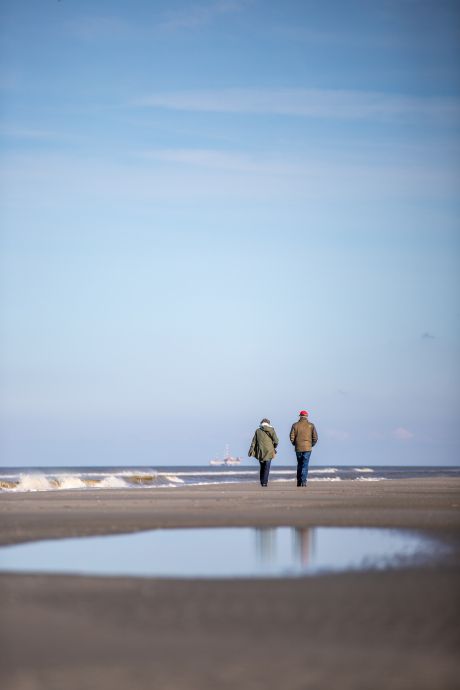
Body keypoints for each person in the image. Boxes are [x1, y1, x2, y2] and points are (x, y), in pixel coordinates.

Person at [289, 410, 318, 487]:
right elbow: (315, 437)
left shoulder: (295, 425)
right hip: (308, 448)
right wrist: (311, 445)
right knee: (305, 464)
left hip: (298, 447)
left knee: (299, 464)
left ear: (300, 416)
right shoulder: (311, 425)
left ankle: (299, 482)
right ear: (307, 416)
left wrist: (295, 444)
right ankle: (304, 481)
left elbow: (291, 436)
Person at [248, 418, 279, 487]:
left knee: (262, 467)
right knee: (267, 467)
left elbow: (254, 442)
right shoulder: (272, 430)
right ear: (268, 423)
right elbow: (276, 441)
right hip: (269, 451)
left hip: (260, 452)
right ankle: (264, 482)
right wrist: (274, 446)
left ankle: (262, 482)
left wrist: (250, 450)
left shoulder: (257, 431)